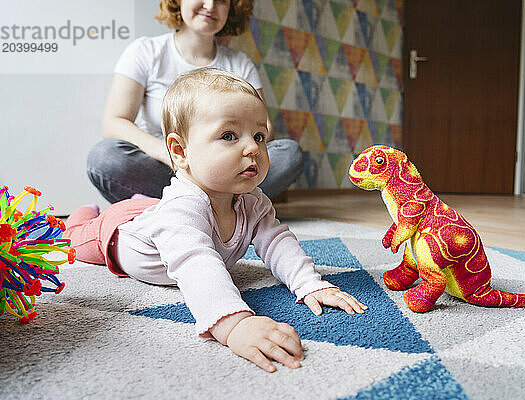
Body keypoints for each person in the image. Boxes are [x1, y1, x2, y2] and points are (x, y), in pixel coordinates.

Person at [65, 68, 368, 373]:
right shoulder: (182, 209)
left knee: (155, 211)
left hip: (153, 211)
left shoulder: (253, 201)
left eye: (259, 136)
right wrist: (234, 323)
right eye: (229, 136)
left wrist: (308, 284)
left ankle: (140, 204)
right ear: (180, 152)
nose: (252, 148)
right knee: (73, 239)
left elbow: (277, 242)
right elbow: (197, 262)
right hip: (117, 231)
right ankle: (84, 214)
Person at [88, 0, 303, 203]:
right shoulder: (145, 52)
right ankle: (218, 207)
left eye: (221, 0)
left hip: (226, 168)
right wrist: (169, 154)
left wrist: (222, 156)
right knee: (105, 157)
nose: (210, 5)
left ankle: (197, 207)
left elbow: (265, 129)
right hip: (167, 167)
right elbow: (114, 122)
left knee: (289, 154)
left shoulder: (239, 63)